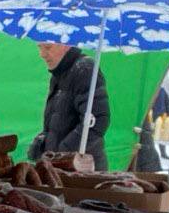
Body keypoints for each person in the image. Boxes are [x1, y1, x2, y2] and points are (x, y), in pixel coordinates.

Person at [27, 41, 110, 170]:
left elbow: (98, 120)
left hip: (82, 169)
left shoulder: (84, 69)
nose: (42, 54)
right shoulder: (60, 73)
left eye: (48, 47)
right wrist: (41, 144)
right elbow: (59, 122)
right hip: (62, 166)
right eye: (40, 47)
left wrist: (62, 153)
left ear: (65, 44)